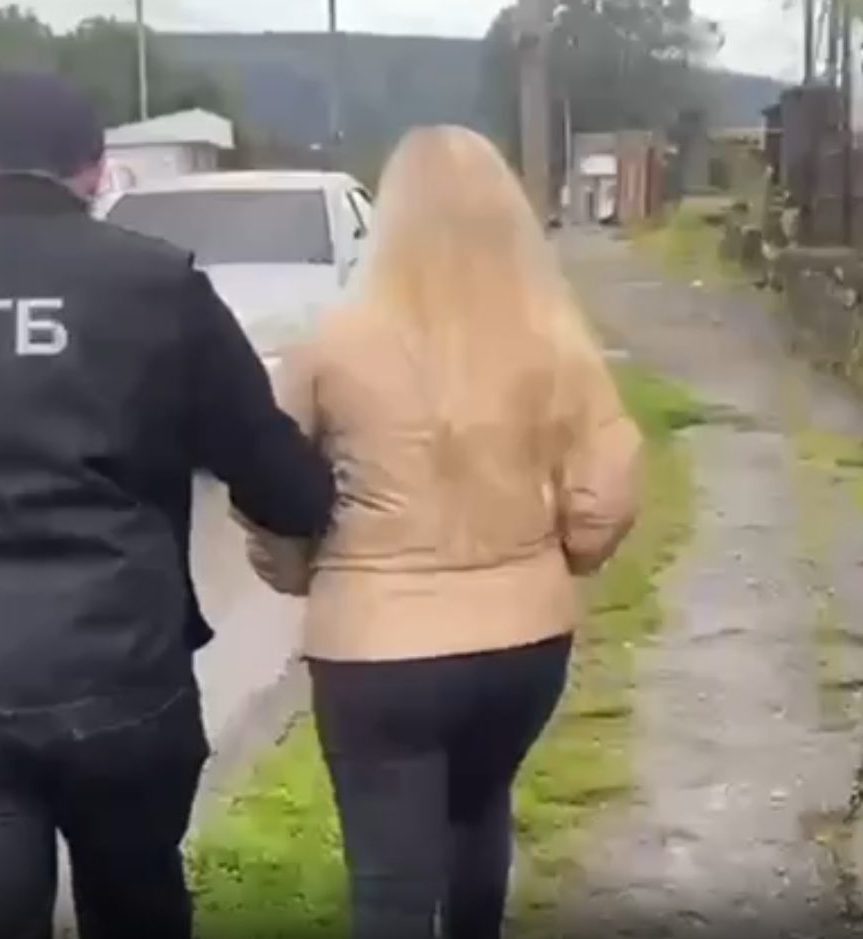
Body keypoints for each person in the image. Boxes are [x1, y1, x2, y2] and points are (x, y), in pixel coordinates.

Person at [0, 68, 337, 939]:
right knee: (136, 908)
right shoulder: (157, 284)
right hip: (120, 676)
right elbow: (278, 483)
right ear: (95, 168)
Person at [244, 125, 643, 939]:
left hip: (375, 651)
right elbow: (605, 486)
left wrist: (297, 570)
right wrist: (568, 552)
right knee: (479, 810)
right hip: (523, 643)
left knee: (389, 881)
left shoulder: (329, 346)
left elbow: (267, 485)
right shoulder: (554, 340)